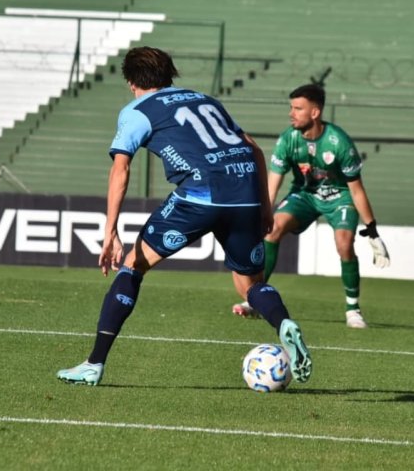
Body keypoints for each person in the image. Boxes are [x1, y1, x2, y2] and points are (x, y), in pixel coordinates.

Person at [57, 46, 312, 386]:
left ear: (132, 82)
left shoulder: (136, 110)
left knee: (133, 266)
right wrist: (265, 206)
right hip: (245, 192)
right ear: (169, 75)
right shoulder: (205, 100)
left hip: (200, 194)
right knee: (250, 285)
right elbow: (252, 146)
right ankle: (283, 324)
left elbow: (121, 168)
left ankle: (94, 363)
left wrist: (110, 231)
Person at [231, 83, 391, 329]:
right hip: (304, 195)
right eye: (291, 108)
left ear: (314, 113)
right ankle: (256, 299)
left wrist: (372, 229)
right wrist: (265, 214)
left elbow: (356, 190)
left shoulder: (339, 142)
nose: (291, 113)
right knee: (273, 231)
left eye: (298, 108)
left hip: (340, 197)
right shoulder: (288, 139)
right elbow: (272, 183)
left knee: (344, 244)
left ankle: (353, 310)